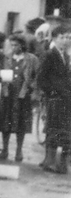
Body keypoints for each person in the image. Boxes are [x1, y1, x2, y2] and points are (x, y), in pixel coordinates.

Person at [0, 33, 39, 162]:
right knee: (6, 122)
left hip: (22, 94)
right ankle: (4, 149)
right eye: (12, 45)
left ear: (22, 45)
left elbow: (37, 75)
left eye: (16, 45)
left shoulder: (31, 59)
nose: (14, 47)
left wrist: (31, 88)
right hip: (8, 94)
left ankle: (19, 150)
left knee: (21, 123)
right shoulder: (7, 58)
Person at [36, 21, 71, 174]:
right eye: (63, 37)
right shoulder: (50, 55)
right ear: (55, 39)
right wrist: (52, 92)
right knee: (53, 128)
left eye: (69, 37)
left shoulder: (67, 57)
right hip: (56, 98)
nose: (66, 40)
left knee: (65, 129)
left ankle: (62, 163)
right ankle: (49, 161)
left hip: (67, 99)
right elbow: (41, 78)